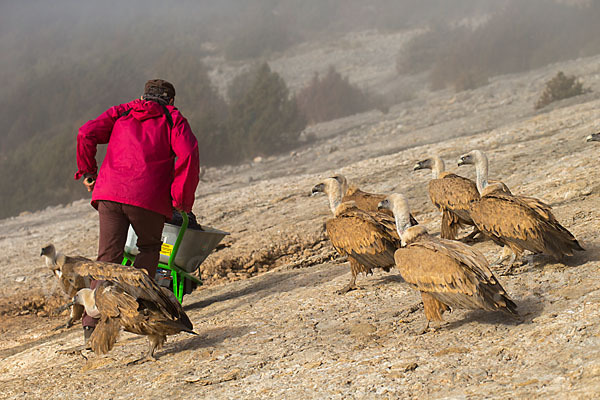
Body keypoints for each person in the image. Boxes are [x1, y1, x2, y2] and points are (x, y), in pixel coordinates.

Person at [74, 79, 200, 342]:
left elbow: (86, 133)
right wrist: (181, 201)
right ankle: (135, 306)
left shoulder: (123, 112)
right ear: (171, 100)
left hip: (109, 194)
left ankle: (91, 323)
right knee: (150, 248)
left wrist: (88, 171)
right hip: (147, 199)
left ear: (143, 95)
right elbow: (188, 154)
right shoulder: (173, 119)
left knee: (108, 257)